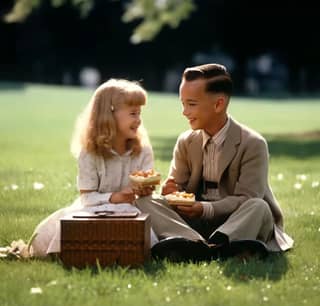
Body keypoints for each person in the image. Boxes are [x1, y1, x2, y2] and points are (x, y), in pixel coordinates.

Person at [136, 63, 294, 261]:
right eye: (182, 103)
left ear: (218, 104)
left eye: (191, 104)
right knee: (144, 201)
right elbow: (178, 188)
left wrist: (206, 209)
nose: (184, 111)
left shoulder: (253, 143)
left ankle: (208, 245)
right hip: (195, 220)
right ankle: (203, 245)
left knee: (259, 206)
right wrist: (171, 190)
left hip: (236, 218)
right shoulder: (186, 141)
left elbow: (247, 197)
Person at [9, 78, 157, 258]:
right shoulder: (90, 153)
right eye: (133, 113)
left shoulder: (142, 151)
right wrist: (115, 197)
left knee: (140, 223)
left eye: (140, 113)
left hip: (134, 208)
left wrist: (144, 190)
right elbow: (87, 197)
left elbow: (146, 190)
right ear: (109, 114)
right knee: (69, 228)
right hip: (96, 208)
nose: (139, 120)